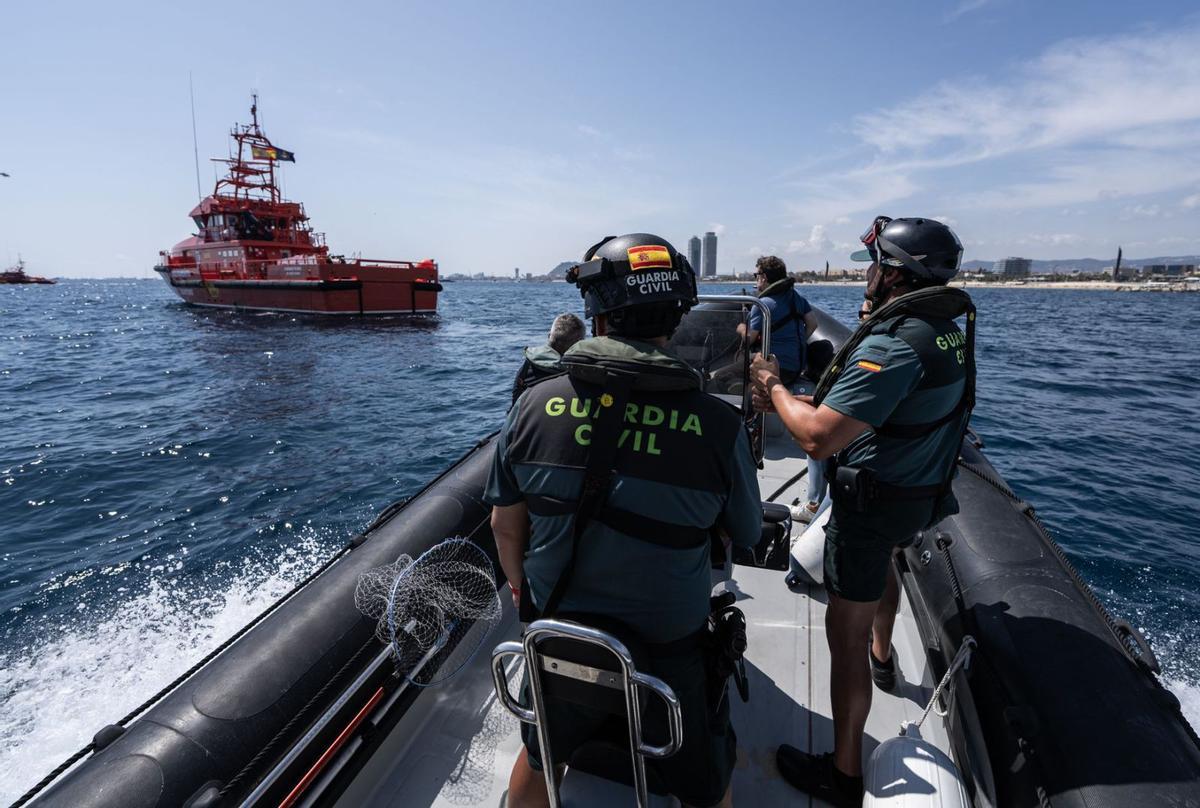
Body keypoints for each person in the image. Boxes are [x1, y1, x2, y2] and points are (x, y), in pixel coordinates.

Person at [485, 233, 763, 808]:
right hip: (668, 651)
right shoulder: (718, 427)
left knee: (540, 759)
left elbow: (504, 528)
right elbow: (748, 532)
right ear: (678, 313)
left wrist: (523, 591)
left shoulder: (531, 407)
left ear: (598, 312)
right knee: (709, 786)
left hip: (556, 635)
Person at [752, 217, 972, 807]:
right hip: (914, 501)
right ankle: (884, 657)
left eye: (872, 264)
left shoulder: (895, 343)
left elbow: (818, 439)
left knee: (840, 633)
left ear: (894, 273)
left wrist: (773, 388)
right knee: (888, 571)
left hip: (872, 506)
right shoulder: (945, 329)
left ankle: (845, 773)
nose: (865, 274)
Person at [736, 255, 818, 388]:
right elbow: (813, 324)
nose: (756, 279)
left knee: (722, 377)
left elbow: (749, 338)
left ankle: (748, 402)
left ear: (764, 277)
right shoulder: (797, 298)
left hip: (775, 371)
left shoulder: (762, 305)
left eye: (756, 275)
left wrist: (741, 328)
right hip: (796, 369)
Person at [511, 312, 586, 403]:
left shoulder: (527, 367)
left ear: (549, 336)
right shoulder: (578, 373)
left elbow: (515, 404)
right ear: (577, 345)